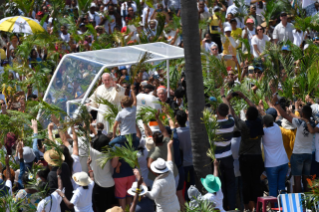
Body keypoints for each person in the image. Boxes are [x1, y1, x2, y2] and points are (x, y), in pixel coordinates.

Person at [226, 91, 264, 211]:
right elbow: (255, 110)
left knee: (246, 184)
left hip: (245, 158)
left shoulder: (243, 125)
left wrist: (227, 101)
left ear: (246, 116)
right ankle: (257, 207)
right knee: (256, 182)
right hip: (257, 157)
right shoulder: (260, 122)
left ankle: (247, 208)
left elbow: (233, 115)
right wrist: (245, 97)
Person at [273, 96, 315, 193]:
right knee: (306, 180)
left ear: (303, 114)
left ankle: (298, 204)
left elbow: (283, 114)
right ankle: (307, 203)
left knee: (297, 180)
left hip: (297, 155)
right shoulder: (312, 124)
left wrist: (276, 104)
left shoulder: (299, 122)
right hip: (308, 154)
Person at [145, 139, 180, 212]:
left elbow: (152, 195)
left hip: (164, 209)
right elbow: (169, 160)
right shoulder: (170, 172)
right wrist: (168, 147)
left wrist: (144, 189)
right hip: (175, 207)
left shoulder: (159, 182)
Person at [214, 90, 236, 210]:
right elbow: (230, 110)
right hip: (228, 157)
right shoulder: (231, 123)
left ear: (217, 112)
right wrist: (223, 96)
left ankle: (222, 207)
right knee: (231, 184)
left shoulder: (212, 125)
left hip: (216, 159)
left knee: (220, 186)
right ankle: (231, 207)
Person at [262, 114, 289, 198]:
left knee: (272, 187)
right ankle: (283, 206)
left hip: (271, 165)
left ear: (264, 123)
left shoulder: (264, 133)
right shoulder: (277, 127)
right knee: (281, 186)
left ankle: (274, 208)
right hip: (284, 162)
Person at [111, 84, 139, 148]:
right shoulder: (133, 110)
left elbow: (115, 126)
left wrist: (113, 136)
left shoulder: (120, 113)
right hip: (133, 135)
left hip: (124, 136)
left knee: (110, 143)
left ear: (122, 104)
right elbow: (135, 100)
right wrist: (132, 91)